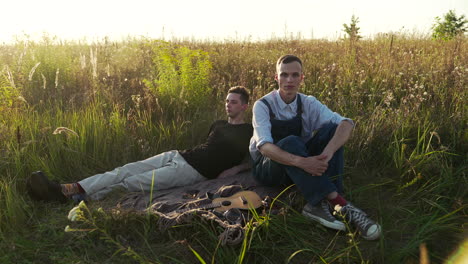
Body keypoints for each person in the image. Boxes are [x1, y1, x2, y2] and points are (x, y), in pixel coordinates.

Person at [27, 86, 253, 202]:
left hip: (193, 172)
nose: (227, 105)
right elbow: (207, 147)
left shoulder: (248, 131)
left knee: (131, 183)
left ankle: (78, 198)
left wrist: (237, 168)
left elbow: (257, 157)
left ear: (244, 106)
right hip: (177, 156)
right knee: (122, 170)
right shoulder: (218, 123)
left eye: (233, 102)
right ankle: (69, 188)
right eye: (226, 101)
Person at [249, 55, 381, 240]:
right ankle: (340, 203)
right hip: (269, 168)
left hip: (299, 166)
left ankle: (319, 205)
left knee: (332, 130)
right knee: (291, 141)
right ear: (276, 78)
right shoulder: (262, 105)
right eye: (284, 75)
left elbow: (347, 124)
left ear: (302, 78)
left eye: (295, 75)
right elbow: (264, 147)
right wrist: (303, 162)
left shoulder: (308, 102)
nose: (289, 80)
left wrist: (327, 153)